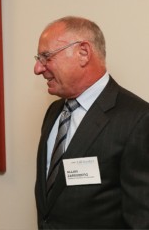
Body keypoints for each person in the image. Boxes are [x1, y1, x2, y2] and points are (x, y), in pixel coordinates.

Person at [34, 16, 149, 229]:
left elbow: (142, 218)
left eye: (46, 57)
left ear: (83, 53)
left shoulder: (138, 119)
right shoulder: (54, 112)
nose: (38, 69)